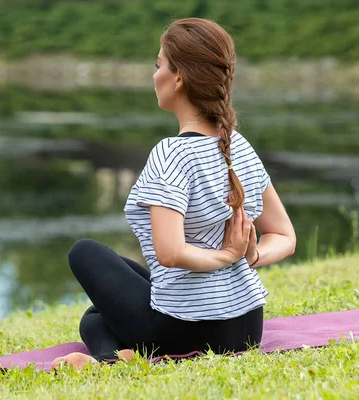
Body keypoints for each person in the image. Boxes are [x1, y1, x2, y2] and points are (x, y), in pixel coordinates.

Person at [51, 18, 296, 370]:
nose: (154, 76)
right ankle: (111, 354)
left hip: (188, 331)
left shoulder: (171, 153)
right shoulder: (239, 146)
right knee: (97, 316)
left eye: (158, 65)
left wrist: (230, 255)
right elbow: (285, 236)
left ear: (178, 76)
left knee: (84, 252)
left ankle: (108, 362)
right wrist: (251, 255)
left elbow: (169, 253)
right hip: (246, 326)